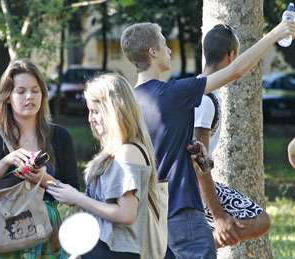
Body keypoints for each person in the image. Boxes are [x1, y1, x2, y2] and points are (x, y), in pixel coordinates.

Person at [120, 20, 295, 258]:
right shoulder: (175, 93)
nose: (169, 49)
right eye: (164, 44)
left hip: (146, 213)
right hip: (182, 208)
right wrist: (274, 34)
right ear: (152, 52)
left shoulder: (127, 102)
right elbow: (236, 71)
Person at [0, 58, 79, 258]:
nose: (29, 97)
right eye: (21, 91)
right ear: (7, 96)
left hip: (47, 233)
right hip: (5, 234)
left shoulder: (60, 137)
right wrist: (6, 162)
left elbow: (74, 195)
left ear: (43, 95)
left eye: (35, 91)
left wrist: (42, 179)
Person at [47, 74, 157, 259]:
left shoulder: (127, 152)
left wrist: (78, 198)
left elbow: (125, 214)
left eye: (95, 111)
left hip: (114, 252)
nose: (90, 119)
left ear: (113, 110)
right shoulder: (118, 150)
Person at [194, 25, 271, 248]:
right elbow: (199, 160)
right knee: (260, 221)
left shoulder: (198, 88)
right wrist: (219, 217)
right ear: (232, 56)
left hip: (193, 180)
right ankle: (192, 245)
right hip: (189, 184)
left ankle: (194, 243)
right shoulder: (205, 99)